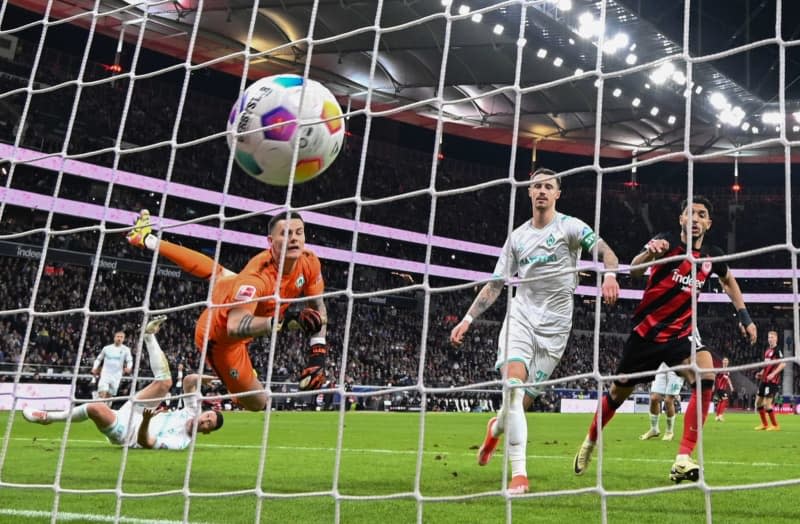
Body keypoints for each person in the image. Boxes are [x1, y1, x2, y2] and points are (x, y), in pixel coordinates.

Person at [450, 168, 620, 494]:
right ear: (529, 192)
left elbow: (605, 252)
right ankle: (519, 475)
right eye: (536, 186)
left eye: (548, 187)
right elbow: (496, 284)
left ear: (558, 194)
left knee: (519, 406)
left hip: (555, 330)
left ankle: (495, 428)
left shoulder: (571, 227)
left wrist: (609, 275)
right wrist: (468, 319)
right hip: (521, 318)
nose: (541, 191)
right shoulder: (517, 237)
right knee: (513, 388)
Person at [572, 195, 758, 484]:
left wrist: (744, 317)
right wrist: (649, 253)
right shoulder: (667, 243)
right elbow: (633, 269)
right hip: (645, 336)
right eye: (690, 213)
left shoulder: (711, 256)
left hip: (681, 336)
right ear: (681, 219)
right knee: (617, 395)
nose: (695, 218)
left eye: (701, 214)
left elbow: (728, 280)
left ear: (708, 223)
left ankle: (683, 458)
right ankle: (590, 440)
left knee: (706, 374)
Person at [126, 209, 328, 411]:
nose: (294, 239)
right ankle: (225, 386)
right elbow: (234, 325)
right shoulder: (256, 277)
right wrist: (282, 322)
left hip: (239, 299)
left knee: (220, 273)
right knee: (258, 403)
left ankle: (146, 238)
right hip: (219, 334)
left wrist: (317, 354)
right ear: (270, 240)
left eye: (299, 232)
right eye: (285, 233)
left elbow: (318, 307)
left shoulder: (309, 261)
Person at [23, 316, 224, 449]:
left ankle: (48, 417)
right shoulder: (191, 412)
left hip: (129, 433)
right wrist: (210, 378)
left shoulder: (181, 443)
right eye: (207, 416)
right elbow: (189, 381)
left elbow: (146, 442)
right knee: (164, 383)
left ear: (206, 432)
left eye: (208, 424)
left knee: (96, 408)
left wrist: (146, 420)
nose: (203, 420)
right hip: (135, 411)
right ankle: (149, 336)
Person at [639, 362, 684, 441]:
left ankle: (669, 432)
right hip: (662, 364)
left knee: (668, 400)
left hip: (677, 364)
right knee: (654, 398)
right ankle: (654, 429)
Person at [754, 330, 785, 431]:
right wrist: (761, 373)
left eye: (772, 337)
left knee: (767, 404)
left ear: (776, 338)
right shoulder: (767, 351)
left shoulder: (778, 350)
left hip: (772, 381)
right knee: (758, 403)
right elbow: (767, 366)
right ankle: (765, 424)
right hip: (764, 380)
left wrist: (773, 374)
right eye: (769, 337)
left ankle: (775, 425)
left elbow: (783, 364)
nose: (770, 339)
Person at [91, 330, 133, 402]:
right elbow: (98, 359)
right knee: (102, 393)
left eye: (121, 337)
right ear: (114, 338)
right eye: (118, 336)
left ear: (123, 339)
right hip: (105, 374)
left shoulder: (126, 349)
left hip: (116, 375)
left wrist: (129, 368)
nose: (119, 338)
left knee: (109, 397)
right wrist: (94, 368)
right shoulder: (107, 348)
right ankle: (98, 409)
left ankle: (106, 409)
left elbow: (129, 360)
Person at [714, 357, 734, 422]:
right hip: (720, 388)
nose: (725, 361)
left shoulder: (727, 371)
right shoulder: (720, 370)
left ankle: (717, 416)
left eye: (726, 360)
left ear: (728, 362)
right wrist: (713, 385)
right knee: (724, 400)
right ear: (722, 361)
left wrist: (731, 386)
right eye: (724, 360)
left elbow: (727, 379)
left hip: (723, 389)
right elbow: (716, 377)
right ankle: (720, 415)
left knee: (721, 401)